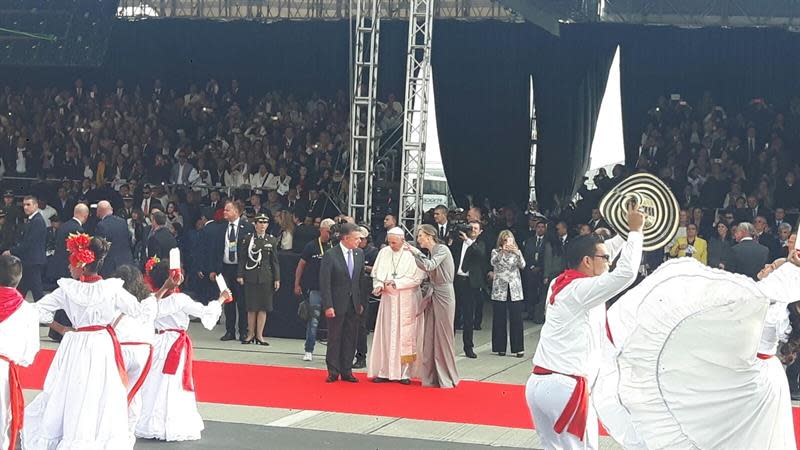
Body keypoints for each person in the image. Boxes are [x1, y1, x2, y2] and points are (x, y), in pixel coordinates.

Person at [594, 251, 800, 450]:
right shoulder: (762, 300)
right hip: (761, 373)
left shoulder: (765, 301)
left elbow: (760, 292)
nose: (766, 266)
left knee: (737, 429)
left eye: (772, 266)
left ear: (779, 275)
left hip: (752, 377)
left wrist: (792, 268)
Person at [526, 202, 644, 448]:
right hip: (566, 386)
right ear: (587, 262)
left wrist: (624, 233)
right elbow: (626, 274)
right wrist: (635, 232)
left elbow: (601, 251)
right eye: (605, 259)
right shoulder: (582, 289)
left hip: (539, 384)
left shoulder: (561, 281)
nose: (608, 262)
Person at [23, 235, 157, 450]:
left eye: (71, 261)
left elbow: (37, 309)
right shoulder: (112, 289)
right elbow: (139, 311)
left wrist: (60, 327)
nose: (68, 265)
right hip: (102, 343)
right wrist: (162, 290)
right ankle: (95, 437)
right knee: (100, 391)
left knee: (71, 389)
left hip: (76, 343)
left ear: (81, 264)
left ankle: (68, 435)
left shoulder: (67, 290)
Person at [135, 260, 232, 442]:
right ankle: (170, 424)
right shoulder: (180, 300)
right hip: (174, 344)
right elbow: (205, 313)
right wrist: (221, 298)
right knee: (172, 384)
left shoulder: (149, 299)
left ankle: (150, 423)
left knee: (152, 382)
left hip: (155, 342)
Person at [405, 224, 460, 388]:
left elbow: (430, 265)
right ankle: (431, 376)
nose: (418, 238)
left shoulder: (442, 249)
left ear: (429, 235)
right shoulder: (431, 252)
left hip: (444, 294)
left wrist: (415, 252)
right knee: (430, 335)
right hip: (434, 293)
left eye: (420, 235)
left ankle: (446, 376)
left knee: (443, 335)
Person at [368, 227, 425, 384]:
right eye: (389, 241)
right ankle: (384, 371)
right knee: (386, 334)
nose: (391, 245)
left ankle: (404, 373)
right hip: (388, 301)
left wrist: (396, 283)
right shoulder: (384, 252)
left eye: (394, 242)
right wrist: (379, 285)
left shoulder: (411, 254)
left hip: (406, 299)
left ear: (402, 239)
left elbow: (417, 279)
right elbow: (377, 275)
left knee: (404, 336)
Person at [0, 255, 40, 450]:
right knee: (2, 422)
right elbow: (30, 351)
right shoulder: (28, 311)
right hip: (5, 367)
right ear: (20, 277)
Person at [112, 264, 156, 434]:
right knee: (135, 393)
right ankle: (128, 434)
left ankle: (113, 432)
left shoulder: (114, 296)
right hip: (143, 348)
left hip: (119, 347)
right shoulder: (150, 300)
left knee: (114, 391)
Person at [320, 222, 366, 383]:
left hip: (353, 303)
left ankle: (347, 370)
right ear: (346, 238)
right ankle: (333, 370)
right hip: (336, 303)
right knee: (335, 337)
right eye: (356, 238)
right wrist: (328, 305)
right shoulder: (331, 255)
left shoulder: (359, 254)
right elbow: (325, 282)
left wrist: (360, 302)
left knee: (350, 337)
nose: (359, 241)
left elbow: (360, 280)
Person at [209, 200, 254, 342]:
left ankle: (243, 331)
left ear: (236, 211)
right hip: (225, 268)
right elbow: (215, 249)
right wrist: (214, 270)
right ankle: (230, 331)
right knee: (228, 300)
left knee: (242, 302)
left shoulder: (247, 227)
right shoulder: (221, 228)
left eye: (228, 210)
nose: (224, 212)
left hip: (240, 269)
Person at [46, 203, 89, 342]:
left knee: (62, 299)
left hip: (59, 266)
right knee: (68, 299)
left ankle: (55, 332)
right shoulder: (77, 229)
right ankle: (61, 331)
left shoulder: (64, 225)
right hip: (69, 268)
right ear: (85, 215)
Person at [237, 213, 280, 345]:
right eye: (259, 223)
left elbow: (274, 261)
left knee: (263, 307)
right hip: (251, 275)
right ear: (255, 224)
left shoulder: (271, 240)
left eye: (264, 223)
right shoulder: (248, 239)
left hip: (266, 277)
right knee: (251, 307)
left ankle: (260, 335)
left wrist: (277, 278)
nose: (262, 225)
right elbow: (242, 258)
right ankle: (250, 334)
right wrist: (240, 275)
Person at [295, 218, 335, 362]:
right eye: (328, 231)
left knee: (333, 322)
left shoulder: (335, 246)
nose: (330, 234)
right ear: (321, 230)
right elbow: (301, 265)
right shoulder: (311, 246)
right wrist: (297, 284)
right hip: (315, 289)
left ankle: (332, 352)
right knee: (313, 321)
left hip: (331, 290)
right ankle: (309, 349)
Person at [450, 220, 487, 359]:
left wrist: (468, 241)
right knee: (453, 314)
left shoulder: (479, 244)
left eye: (476, 228)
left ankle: (468, 347)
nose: (472, 230)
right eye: (470, 228)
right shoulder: (459, 242)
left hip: (470, 283)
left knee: (468, 317)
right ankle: (449, 345)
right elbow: (451, 252)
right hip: (457, 280)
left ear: (480, 231)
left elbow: (481, 255)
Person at [490, 230, 526, 358]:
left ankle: (518, 348)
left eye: (509, 240)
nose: (507, 243)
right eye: (505, 240)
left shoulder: (517, 252)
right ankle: (500, 347)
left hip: (514, 288)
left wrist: (516, 252)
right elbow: (494, 263)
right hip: (500, 288)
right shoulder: (496, 252)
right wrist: (503, 252)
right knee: (500, 318)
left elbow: (523, 265)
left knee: (516, 318)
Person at [4, 196, 47, 301]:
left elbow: (29, 243)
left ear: (36, 206)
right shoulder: (32, 220)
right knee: (22, 288)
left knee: (36, 291)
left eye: (28, 204)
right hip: (29, 261)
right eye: (24, 205)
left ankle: (42, 312)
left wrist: (11, 251)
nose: (25, 207)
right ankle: (15, 307)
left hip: (33, 261)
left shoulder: (37, 221)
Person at [95, 200, 134, 276]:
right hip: (126, 261)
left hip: (110, 264)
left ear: (99, 211)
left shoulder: (101, 225)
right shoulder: (122, 222)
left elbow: (99, 246)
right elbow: (129, 238)